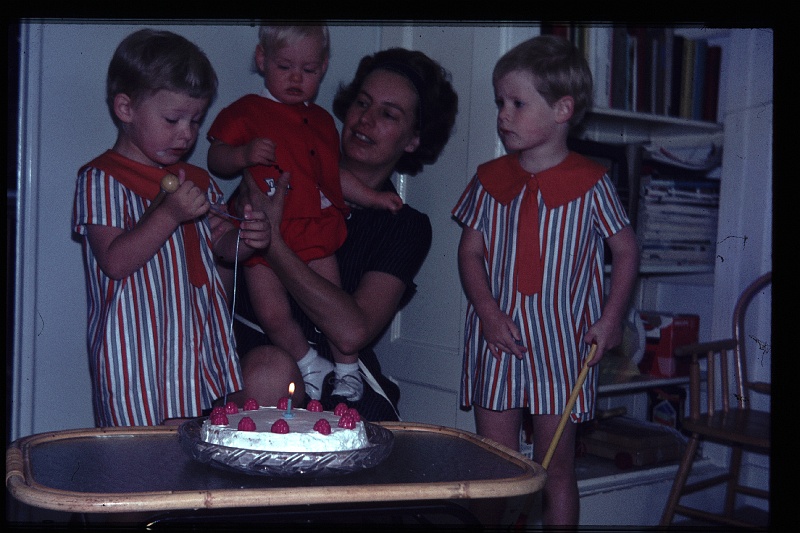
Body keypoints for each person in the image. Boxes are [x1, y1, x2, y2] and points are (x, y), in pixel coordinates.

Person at [451, 35, 639, 526]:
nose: (503, 115)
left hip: (562, 346)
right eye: (500, 103)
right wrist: (489, 315)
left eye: (517, 103)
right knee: (494, 466)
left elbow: (625, 249)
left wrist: (612, 318)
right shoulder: (489, 179)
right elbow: (470, 253)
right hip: (498, 343)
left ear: (562, 109)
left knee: (556, 467)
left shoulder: (593, 182)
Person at [72, 29, 284, 427]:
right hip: (136, 356)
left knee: (194, 457)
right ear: (125, 107)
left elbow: (220, 249)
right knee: (140, 464)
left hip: (199, 349)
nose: (187, 134)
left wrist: (245, 240)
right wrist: (168, 214)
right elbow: (115, 262)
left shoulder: (199, 179)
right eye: (172, 119)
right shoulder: (100, 178)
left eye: (196, 121)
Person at [235, 47, 458, 421]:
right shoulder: (280, 173)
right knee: (269, 372)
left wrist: (272, 242)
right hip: (255, 360)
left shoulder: (404, 226)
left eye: (387, 114)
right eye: (362, 103)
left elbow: (351, 332)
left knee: (368, 438)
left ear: (414, 139)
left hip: (342, 375)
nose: (365, 120)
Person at [207, 24, 362, 402]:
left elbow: (335, 177)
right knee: (271, 313)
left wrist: (372, 197)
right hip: (261, 228)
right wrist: (243, 155)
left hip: (313, 224)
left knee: (332, 298)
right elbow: (216, 156)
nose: (297, 78)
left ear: (324, 67)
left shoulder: (323, 121)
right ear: (262, 60)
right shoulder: (246, 110)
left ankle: (347, 369)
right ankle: (309, 363)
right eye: (285, 67)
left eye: (308, 71)